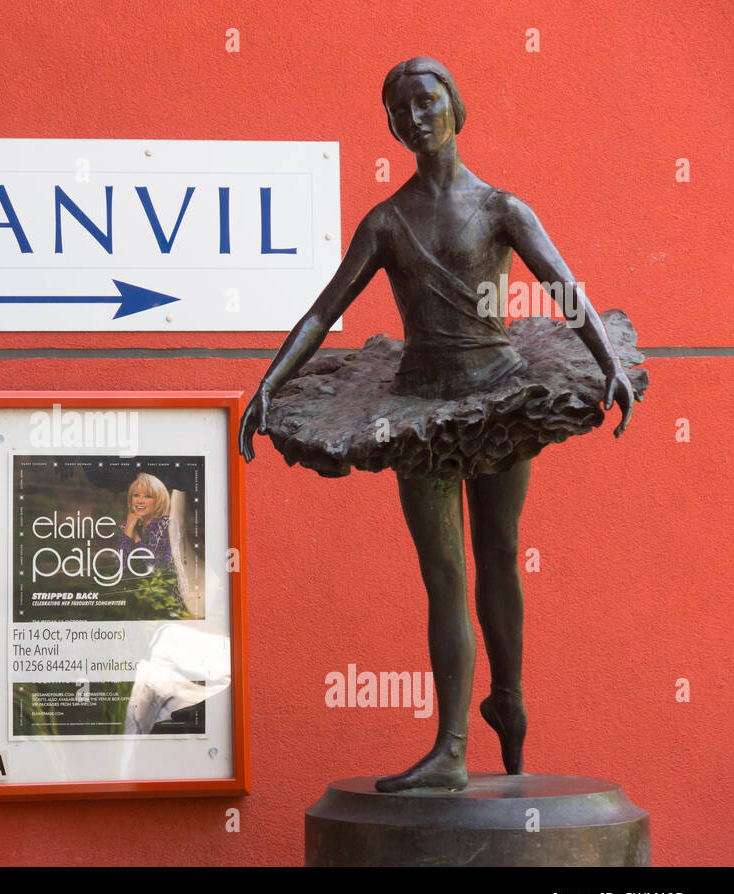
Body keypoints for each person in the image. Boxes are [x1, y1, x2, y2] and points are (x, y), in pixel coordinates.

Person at [239, 57, 646, 792]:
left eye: (426, 102)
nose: (415, 118)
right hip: (418, 408)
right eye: (400, 111)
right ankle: (451, 750)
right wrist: (268, 383)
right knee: (444, 576)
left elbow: (563, 286)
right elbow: (322, 312)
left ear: (456, 106)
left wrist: (607, 360)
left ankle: (509, 698)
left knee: (498, 552)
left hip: (498, 400)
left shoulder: (501, 209)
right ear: (391, 127)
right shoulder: (387, 221)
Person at [117, 473, 174, 571]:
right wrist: (129, 529)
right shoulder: (125, 527)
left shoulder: (167, 525)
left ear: (158, 500)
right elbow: (121, 568)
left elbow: (162, 567)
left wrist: (135, 537)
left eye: (147, 496)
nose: (140, 501)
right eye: (136, 495)